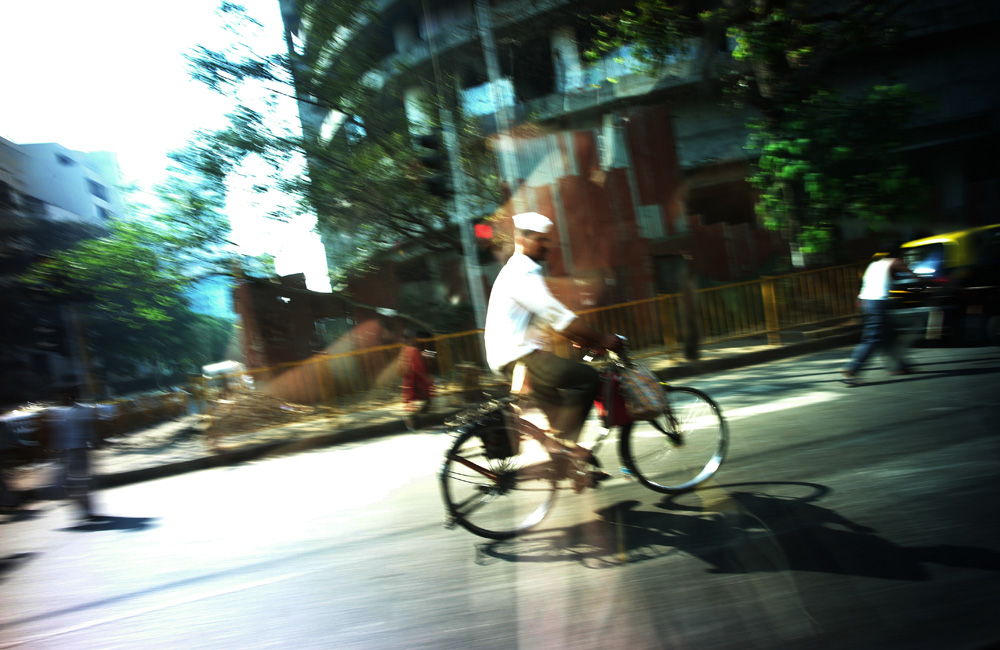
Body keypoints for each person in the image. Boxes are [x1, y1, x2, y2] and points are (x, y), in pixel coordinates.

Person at [484, 211, 623, 479]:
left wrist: (578, 337)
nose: (547, 246)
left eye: (548, 240)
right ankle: (569, 450)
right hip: (519, 358)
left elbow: (545, 315)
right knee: (587, 378)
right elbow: (557, 314)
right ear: (521, 240)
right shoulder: (520, 273)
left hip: (518, 356)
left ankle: (567, 464)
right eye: (541, 240)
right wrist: (601, 339)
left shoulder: (522, 271)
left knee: (560, 411)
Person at [841, 244, 919, 385]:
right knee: (874, 338)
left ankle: (899, 366)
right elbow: (913, 276)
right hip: (879, 302)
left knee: (889, 335)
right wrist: (928, 281)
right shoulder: (895, 262)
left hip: (866, 302)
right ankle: (852, 368)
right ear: (897, 254)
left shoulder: (874, 264)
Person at [47, 383, 101, 521]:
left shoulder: (82, 410)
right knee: (67, 483)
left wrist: (94, 442)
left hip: (78, 450)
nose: (62, 399)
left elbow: (89, 430)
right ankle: (83, 508)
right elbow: (54, 433)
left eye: (64, 396)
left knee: (79, 482)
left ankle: (87, 509)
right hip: (63, 452)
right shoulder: (55, 412)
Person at [400, 328, 434, 431]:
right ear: (412, 338)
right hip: (416, 380)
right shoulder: (413, 350)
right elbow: (418, 367)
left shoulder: (405, 349)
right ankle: (411, 422)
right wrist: (426, 378)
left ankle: (414, 423)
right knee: (425, 401)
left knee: (414, 402)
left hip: (409, 380)